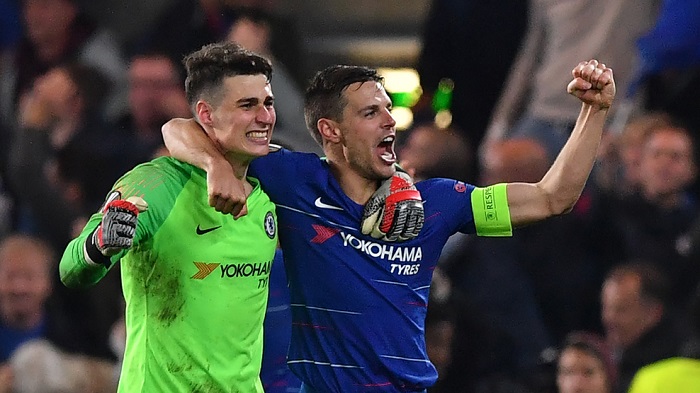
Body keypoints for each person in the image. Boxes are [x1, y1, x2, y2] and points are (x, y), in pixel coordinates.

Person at [162, 58, 616, 392]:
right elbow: (178, 128)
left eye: (387, 109)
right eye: (370, 113)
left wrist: (593, 113)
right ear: (331, 131)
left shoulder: (437, 202)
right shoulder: (292, 179)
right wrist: (215, 165)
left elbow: (552, 197)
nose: (390, 122)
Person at [58, 42, 281, 392]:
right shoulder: (158, 184)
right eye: (247, 105)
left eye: (267, 103)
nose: (265, 116)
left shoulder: (273, 184)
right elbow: (71, 269)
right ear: (207, 114)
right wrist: (101, 242)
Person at [600, 262, 687, 393]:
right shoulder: (609, 357)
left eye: (621, 310)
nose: (608, 318)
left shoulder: (678, 356)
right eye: (606, 307)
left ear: (654, 312)